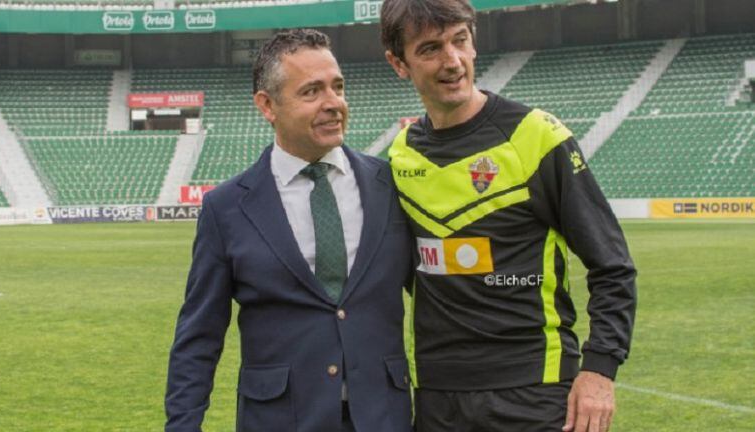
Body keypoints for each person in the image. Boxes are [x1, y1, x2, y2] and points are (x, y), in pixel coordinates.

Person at [380, 1, 637, 431]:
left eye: (460, 40)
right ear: (398, 63)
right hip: (436, 397)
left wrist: (599, 370)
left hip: (535, 391)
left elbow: (612, 266)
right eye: (430, 49)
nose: (453, 61)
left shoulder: (537, 136)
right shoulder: (400, 155)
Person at [165, 29, 414, 432]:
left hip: (384, 417)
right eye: (312, 91)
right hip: (279, 419)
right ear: (268, 105)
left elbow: (440, 300)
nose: (334, 103)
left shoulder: (391, 187)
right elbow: (199, 334)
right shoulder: (226, 208)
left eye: (338, 87)